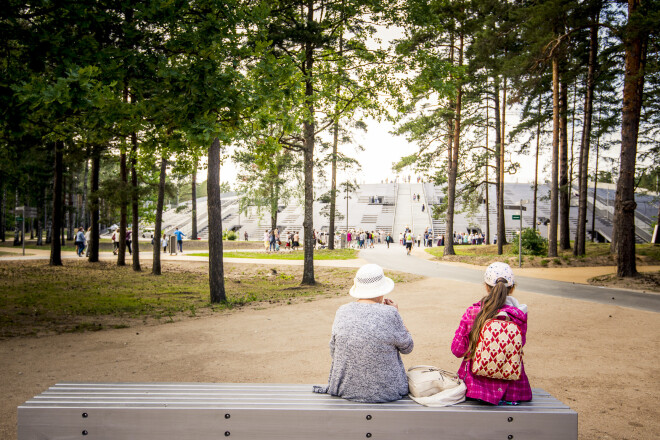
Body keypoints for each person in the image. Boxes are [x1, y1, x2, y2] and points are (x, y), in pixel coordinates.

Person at [313, 264, 413, 403]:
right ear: (381, 291)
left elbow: (334, 351)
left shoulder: (342, 311)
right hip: (387, 391)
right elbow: (408, 347)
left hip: (345, 389)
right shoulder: (390, 313)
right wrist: (397, 314)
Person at [451, 262, 532, 405]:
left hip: (475, 389)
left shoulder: (474, 312)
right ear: (512, 288)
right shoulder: (518, 316)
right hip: (513, 391)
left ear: (486, 287)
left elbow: (457, 350)